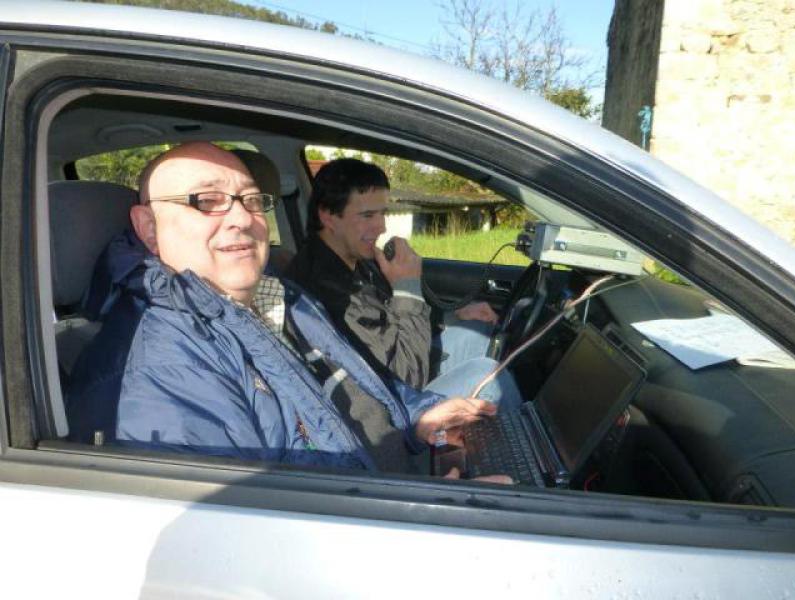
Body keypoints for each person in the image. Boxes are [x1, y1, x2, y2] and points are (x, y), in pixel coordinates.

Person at [66, 142, 518, 477]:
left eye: (250, 200)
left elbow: (365, 383)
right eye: (206, 201)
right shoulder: (157, 365)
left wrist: (420, 416)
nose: (241, 218)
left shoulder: (283, 296)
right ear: (148, 227)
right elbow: (250, 531)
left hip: (390, 472)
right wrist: (429, 514)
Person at [285, 158, 498, 390]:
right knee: (488, 376)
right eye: (367, 215)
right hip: (395, 397)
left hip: (406, 362)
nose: (382, 227)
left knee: (478, 330)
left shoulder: (357, 260)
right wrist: (408, 287)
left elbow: (392, 316)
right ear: (328, 217)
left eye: (383, 213)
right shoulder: (327, 291)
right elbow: (406, 379)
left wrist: (451, 315)